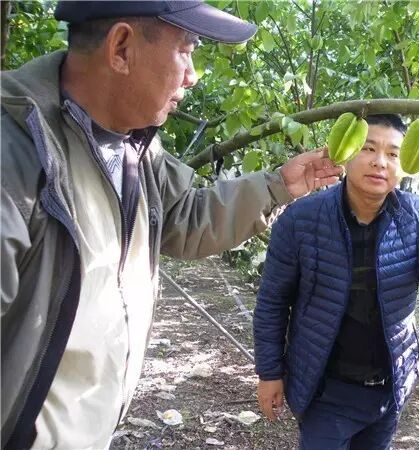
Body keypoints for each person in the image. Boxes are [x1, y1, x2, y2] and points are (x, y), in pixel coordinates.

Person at [0, 2, 343, 449]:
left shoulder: (133, 146)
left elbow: (185, 217)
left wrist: (279, 185)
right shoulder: (17, 156)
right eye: (187, 49)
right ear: (121, 48)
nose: (193, 75)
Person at [253, 114, 419, 449]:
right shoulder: (302, 219)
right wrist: (269, 372)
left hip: (388, 389)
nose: (380, 162)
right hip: (326, 392)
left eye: (393, 154)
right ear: (347, 152)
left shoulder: (413, 213)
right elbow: (273, 301)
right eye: (369, 148)